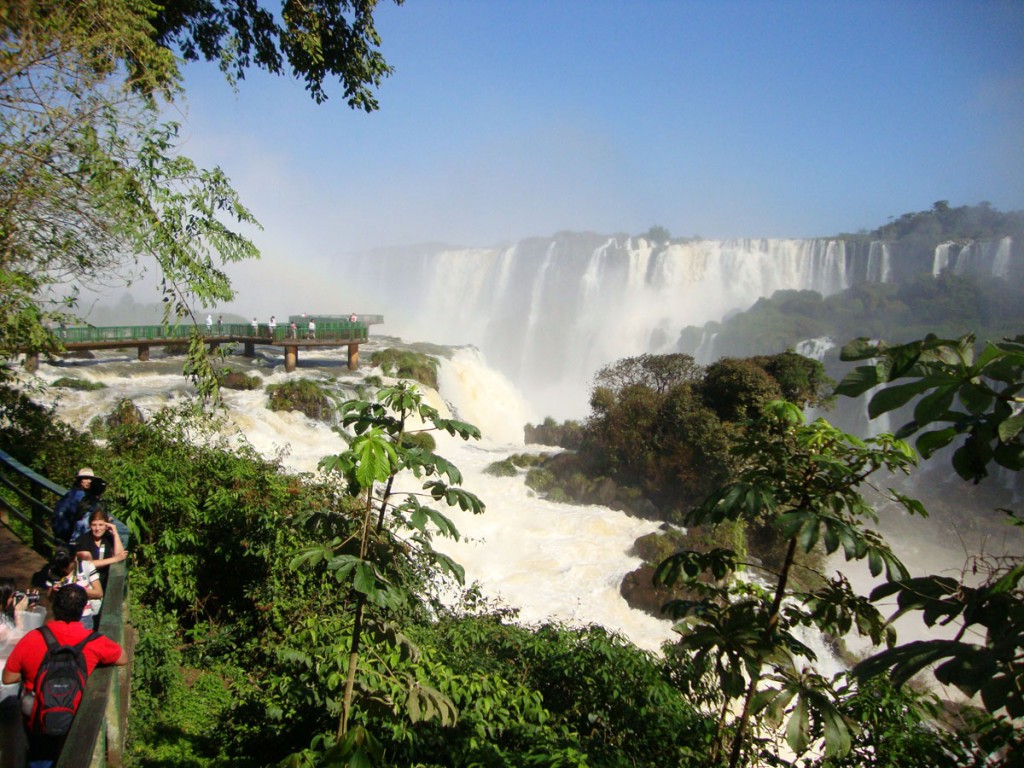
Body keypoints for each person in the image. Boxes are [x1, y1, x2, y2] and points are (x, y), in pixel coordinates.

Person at [3, 584, 126, 768]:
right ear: (82, 609)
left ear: (54, 607)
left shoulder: (32, 638)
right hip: (74, 717)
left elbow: (8, 678)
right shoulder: (93, 642)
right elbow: (122, 657)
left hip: (38, 721)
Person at [45, 547, 102, 631]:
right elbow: (50, 598)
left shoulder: (86, 566)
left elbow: (99, 593)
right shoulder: (54, 571)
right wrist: (54, 591)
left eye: (66, 565)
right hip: (62, 619)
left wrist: (77, 591)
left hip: (83, 617)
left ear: (74, 558)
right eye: (61, 565)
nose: (63, 569)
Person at [75, 507, 127, 591]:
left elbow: (120, 555)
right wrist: (114, 559)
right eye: (94, 525)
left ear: (106, 525)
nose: (97, 529)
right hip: (88, 583)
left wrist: (115, 533)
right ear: (90, 525)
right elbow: (88, 564)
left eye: (101, 525)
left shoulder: (108, 538)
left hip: (105, 582)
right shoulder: (83, 541)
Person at [51, 468, 106, 544]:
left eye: (91, 479)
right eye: (85, 478)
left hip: (64, 533)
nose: (89, 481)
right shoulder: (80, 496)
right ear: (79, 480)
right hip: (71, 535)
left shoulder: (72, 493)